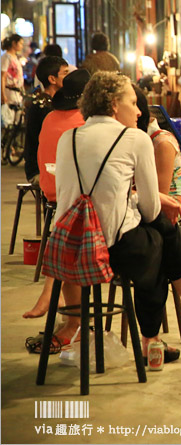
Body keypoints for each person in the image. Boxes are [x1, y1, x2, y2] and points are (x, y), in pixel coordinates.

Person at [51, 71, 181, 359]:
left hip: (70, 251)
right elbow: (151, 209)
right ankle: (156, 336)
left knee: (155, 236)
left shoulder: (67, 138)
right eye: (132, 102)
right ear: (114, 104)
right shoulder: (134, 138)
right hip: (111, 252)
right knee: (159, 236)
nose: (138, 110)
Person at [23, 68, 89, 321]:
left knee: (71, 220)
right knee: (81, 215)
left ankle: (56, 297)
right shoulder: (84, 122)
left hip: (50, 192)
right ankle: (56, 295)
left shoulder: (50, 117)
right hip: (70, 197)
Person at [24, 56, 69, 184]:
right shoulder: (42, 106)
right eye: (65, 73)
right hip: (40, 170)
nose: (69, 77)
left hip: (54, 167)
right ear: (52, 79)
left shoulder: (57, 102)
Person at [1, 34, 25, 107]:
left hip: (17, 92)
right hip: (10, 92)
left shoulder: (16, 57)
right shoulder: (6, 57)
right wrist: (3, 94)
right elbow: (3, 76)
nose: (22, 46)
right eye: (20, 43)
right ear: (14, 43)